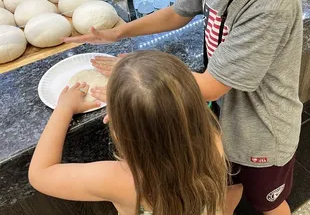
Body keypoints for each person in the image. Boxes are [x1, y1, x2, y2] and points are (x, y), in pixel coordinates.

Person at [63, 0, 303, 214]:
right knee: (225, 188)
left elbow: (212, 86)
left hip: (260, 135)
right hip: (223, 122)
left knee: (267, 202)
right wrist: (120, 33)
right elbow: (177, 13)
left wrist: (133, 75)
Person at [28, 51, 227, 215]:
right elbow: (180, 114)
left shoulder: (120, 179)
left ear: (118, 131)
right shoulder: (214, 140)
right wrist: (136, 109)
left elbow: (40, 174)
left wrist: (64, 108)